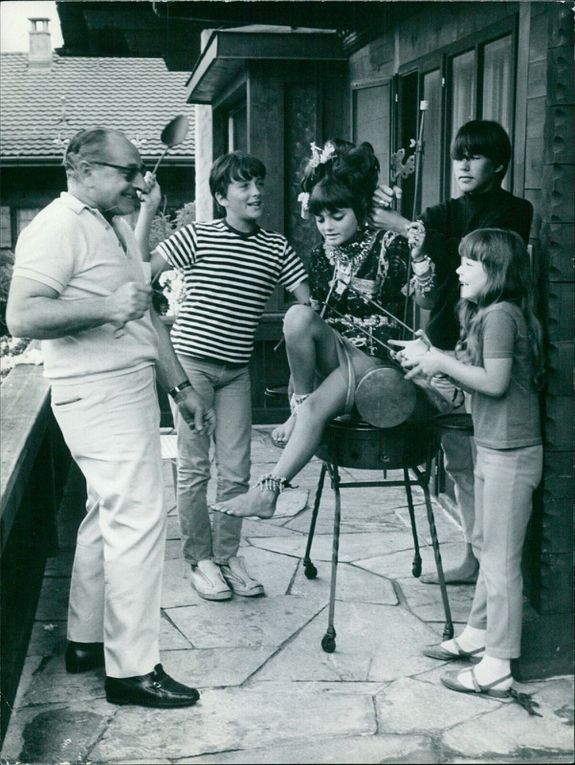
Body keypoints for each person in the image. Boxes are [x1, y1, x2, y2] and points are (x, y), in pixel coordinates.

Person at [6, 128, 216, 708]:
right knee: (139, 521)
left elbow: (144, 314)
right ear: (80, 167)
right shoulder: (56, 225)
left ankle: (86, 640)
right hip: (96, 394)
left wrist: (179, 386)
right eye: (128, 171)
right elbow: (21, 316)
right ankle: (132, 670)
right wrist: (104, 306)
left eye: (141, 169)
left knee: (107, 515)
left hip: (125, 388)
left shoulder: (113, 222)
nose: (140, 180)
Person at [210, 139, 423, 520]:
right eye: (320, 218)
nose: (326, 227)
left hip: (376, 358)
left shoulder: (389, 244)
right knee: (297, 315)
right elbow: (317, 318)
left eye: (337, 217)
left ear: (359, 210)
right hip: (338, 354)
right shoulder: (321, 254)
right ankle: (297, 415)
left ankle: (269, 489)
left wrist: (409, 236)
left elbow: (416, 300)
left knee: (311, 416)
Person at [137, 151, 310, 601]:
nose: (255, 192)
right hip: (190, 365)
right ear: (221, 196)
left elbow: (306, 307)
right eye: (242, 185)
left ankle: (229, 555)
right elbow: (141, 272)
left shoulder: (277, 247)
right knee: (194, 468)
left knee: (236, 470)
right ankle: (201, 560)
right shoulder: (196, 235)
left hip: (236, 372)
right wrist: (147, 211)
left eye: (258, 183)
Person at [371, 120, 534, 585]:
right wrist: (379, 204)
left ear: (499, 164)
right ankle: (474, 556)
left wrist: (408, 227)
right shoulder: (440, 212)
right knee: (459, 460)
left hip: (488, 348)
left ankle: (491, 562)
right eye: (458, 154)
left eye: (475, 155)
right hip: (443, 342)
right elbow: (428, 264)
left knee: (485, 459)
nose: (463, 163)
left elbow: (485, 256)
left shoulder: (515, 211)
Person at [393, 228, 543, 707]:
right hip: (494, 446)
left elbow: (494, 382)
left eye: (468, 263)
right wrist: (433, 359)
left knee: (500, 561)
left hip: (511, 453)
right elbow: (474, 369)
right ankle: (478, 634)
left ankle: (498, 667)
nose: (458, 269)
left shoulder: (501, 315)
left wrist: (436, 359)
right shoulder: (493, 315)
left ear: (495, 270)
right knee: (485, 545)